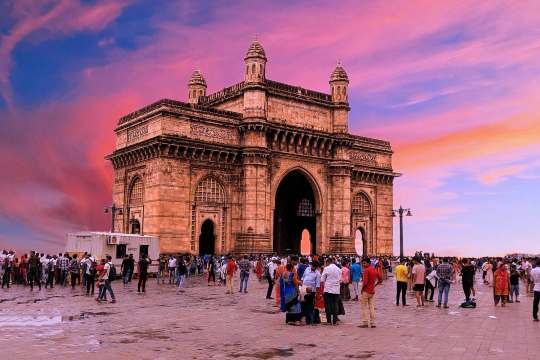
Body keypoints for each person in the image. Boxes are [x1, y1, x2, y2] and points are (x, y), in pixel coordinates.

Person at [359, 257, 382, 328]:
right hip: (372, 291)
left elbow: (365, 282)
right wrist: (375, 284)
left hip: (366, 291)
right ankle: (373, 323)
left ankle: (365, 322)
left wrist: (362, 289)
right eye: (362, 263)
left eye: (364, 263)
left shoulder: (366, 270)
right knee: (371, 307)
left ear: (368, 263)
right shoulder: (374, 270)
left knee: (364, 307)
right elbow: (381, 279)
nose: (363, 264)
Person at [321, 257, 342, 325]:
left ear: (327, 262)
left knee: (328, 305)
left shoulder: (326, 268)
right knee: (335, 304)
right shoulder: (339, 269)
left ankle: (329, 321)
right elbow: (340, 280)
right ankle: (335, 321)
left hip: (328, 289)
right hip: (336, 289)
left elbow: (322, 279)